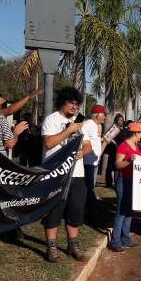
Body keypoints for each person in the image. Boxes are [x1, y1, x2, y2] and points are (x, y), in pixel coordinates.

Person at [40, 87, 92, 263]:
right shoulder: (52, 120)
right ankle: (52, 247)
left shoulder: (79, 123)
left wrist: (82, 153)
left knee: (75, 209)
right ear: (63, 101)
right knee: (54, 211)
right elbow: (49, 142)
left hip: (77, 174)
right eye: (71, 103)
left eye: (77, 104)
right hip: (56, 173)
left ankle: (73, 244)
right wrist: (69, 130)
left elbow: (88, 145)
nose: (74, 107)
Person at [110, 122, 141, 251]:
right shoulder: (123, 146)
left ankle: (125, 238)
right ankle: (115, 241)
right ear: (135, 133)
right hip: (123, 180)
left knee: (129, 211)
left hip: (133, 181)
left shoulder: (136, 146)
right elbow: (117, 165)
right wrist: (129, 160)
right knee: (121, 211)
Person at [82, 105, 106, 222]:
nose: (105, 117)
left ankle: (90, 210)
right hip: (87, 163)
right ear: (98, 115)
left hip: (93, 162)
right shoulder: (88, 125)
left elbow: (96, 145)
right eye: (104, 115)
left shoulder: (96, 126)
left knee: (90, 187)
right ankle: (89, 211)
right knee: (88, 188)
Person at [103, 113, 125, 188]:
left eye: (122, 120)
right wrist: (114, 142)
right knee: (110, 167)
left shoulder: (123, 130)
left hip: (119, 150)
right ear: (116, 120)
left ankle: (116, 182)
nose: (120, 121)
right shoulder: (114, 128)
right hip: (112, 149)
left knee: (116, 167)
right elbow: (107, 137)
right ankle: (108, 183)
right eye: (119, 120)